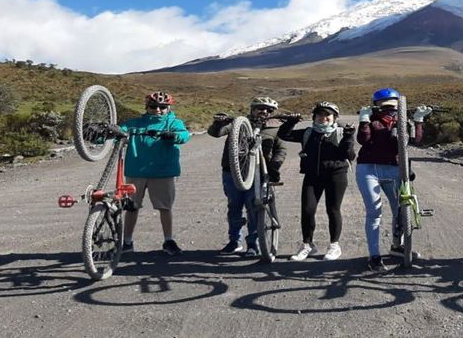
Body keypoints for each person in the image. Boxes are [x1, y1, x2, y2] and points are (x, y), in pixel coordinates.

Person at [355, 88, 432, 271]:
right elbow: (363, 140)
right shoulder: (372, 120)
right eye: (384, 104)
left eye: (393, 104)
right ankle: (374, 256)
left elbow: (415, 141)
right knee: (374, 212)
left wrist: (418, 120)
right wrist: (364, 120)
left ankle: (397, 246)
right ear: (376, 105)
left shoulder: (402, 121)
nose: (389, 108)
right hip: (369, 168)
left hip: (395, 168)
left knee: (400, 210)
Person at [277, 101, 356, 261]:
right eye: (319, 114)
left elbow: (350, 155)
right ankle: (307, 245)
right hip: (312, 176)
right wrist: (291, 121)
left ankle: (334, 245)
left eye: (328, 115)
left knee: (333, 210)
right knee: (307, 210)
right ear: (314, 117)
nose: (323, 118)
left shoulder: (341, 132)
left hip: (336, 175)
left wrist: (348, 137)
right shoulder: (308, 132)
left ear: (334, 117)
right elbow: (284, 135)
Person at [208, 96, 286, 257]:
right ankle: (234, 241)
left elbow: (281, 150)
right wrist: (219, 122)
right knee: (234, 206)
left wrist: (275, 165)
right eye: (259, 108)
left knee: (255, 207)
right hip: (232, 170)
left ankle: (253, 243)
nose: (264, 112)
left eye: (268, 110)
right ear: (252, 109)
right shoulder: (238, 122)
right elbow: (216, 133)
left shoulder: (276, 128)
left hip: (258, 171)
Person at [120, 91, 191, 256]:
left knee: (165, 207)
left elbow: (184, 135)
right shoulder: (135, 123)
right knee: (131, 207)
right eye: (153, 106)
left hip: (163, 172)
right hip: (135, 172)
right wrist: (101, 134)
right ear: (147, 107)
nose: (158, 110)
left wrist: (172, 135)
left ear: (168, 108)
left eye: (162, 107)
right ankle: (127, 242)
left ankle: (168, 240)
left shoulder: (173, 123)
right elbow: (119, 132)